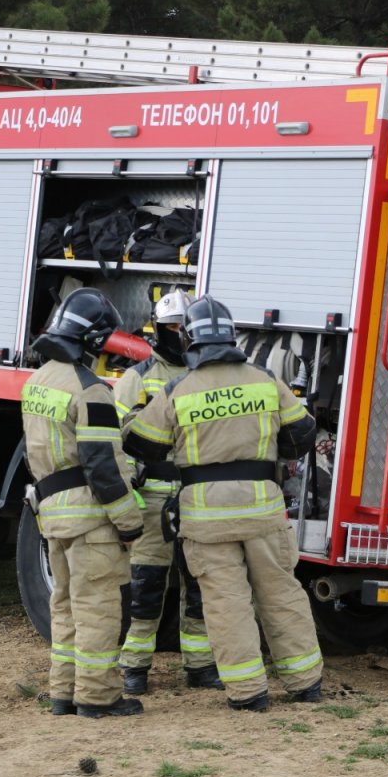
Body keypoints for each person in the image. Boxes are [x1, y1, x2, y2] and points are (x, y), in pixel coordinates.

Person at [125, 295, 323, 712]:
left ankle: (248, 692)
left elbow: (143, 444)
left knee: (225, 602)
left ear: (189, 340)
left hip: (207, 516)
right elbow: (302, 435)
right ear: (231, 336)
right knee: (280, 592)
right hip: (263, 511)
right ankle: (306, 683)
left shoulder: (179, 388)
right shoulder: (264, 379)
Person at [21, 287, 146, 718]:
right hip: (90, 520)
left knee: (65, 608)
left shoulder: (37, 382)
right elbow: (102, 467)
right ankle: (97, 697)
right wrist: (129, 522)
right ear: (93, 340)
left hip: (52, 515)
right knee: (98, 610)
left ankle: (63, 694)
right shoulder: (90, 391)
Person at [113, 290, 224, 694]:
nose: (180, 335)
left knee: (198, 586)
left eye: (185, 328)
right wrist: (127, 501)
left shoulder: (204, 379)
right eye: (173, 328)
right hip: (153, 501)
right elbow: (118, 442)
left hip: (197, 497)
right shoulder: (136, 379)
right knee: (146, 588)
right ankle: (135, 668)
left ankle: (199, 666)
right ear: (158, 330)